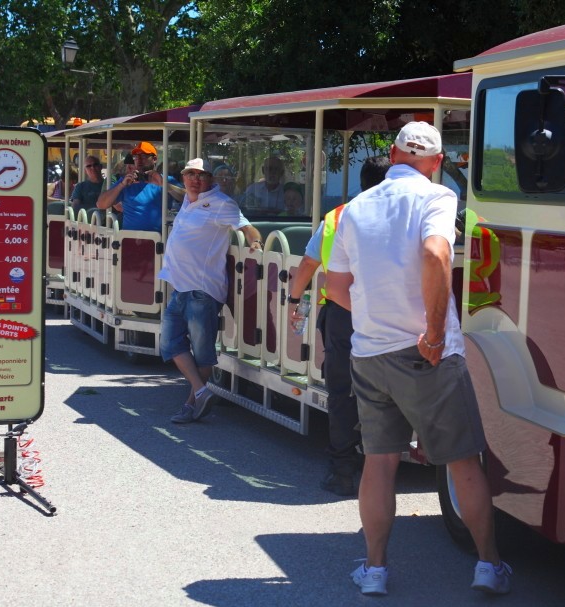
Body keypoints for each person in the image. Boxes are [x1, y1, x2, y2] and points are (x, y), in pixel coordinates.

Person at [326, 122, 512, 596]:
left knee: (379, 464)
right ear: (435, 163)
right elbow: (434, 252)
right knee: (462, 462)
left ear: (392, 155)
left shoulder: (353, 209)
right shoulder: (437, 197)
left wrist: (375, 315)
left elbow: (334, 288)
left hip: (369, 353)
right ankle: (489, 566)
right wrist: (431, 332)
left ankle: (374, 571)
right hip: (426, 353)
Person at [286, 156, 390, 497]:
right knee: (387, 388)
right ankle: (383, 464)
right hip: (393, 312)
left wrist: (293, 300)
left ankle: (343, 469)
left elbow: (308, 262)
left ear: (361, 181)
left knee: (342, 391)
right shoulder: (407, 213)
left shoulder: (338, 216)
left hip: (343, 315)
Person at [161, 158, 263, 424]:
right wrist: (161, 183)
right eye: (190, 174)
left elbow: (247, 226)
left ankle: (191, 404)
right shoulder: (188, 199)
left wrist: (256, 243)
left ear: (210, 180)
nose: (195, 179)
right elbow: (183, 193)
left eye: (201, 175)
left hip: (203, 290)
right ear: (183, 177)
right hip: (181, 288)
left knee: (202, 352)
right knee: (170, 344)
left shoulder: (221, 204)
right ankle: (202, 391)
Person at [96, 141, 164, 232]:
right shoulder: (127, 182)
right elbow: (101, 204)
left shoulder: (165, 180)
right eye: (136, 157)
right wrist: (121, 185)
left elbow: (185, 198)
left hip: (161, 241)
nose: (139, 161)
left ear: (154, 159)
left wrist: (163, 184)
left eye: (143, 157)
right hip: (131, 240)